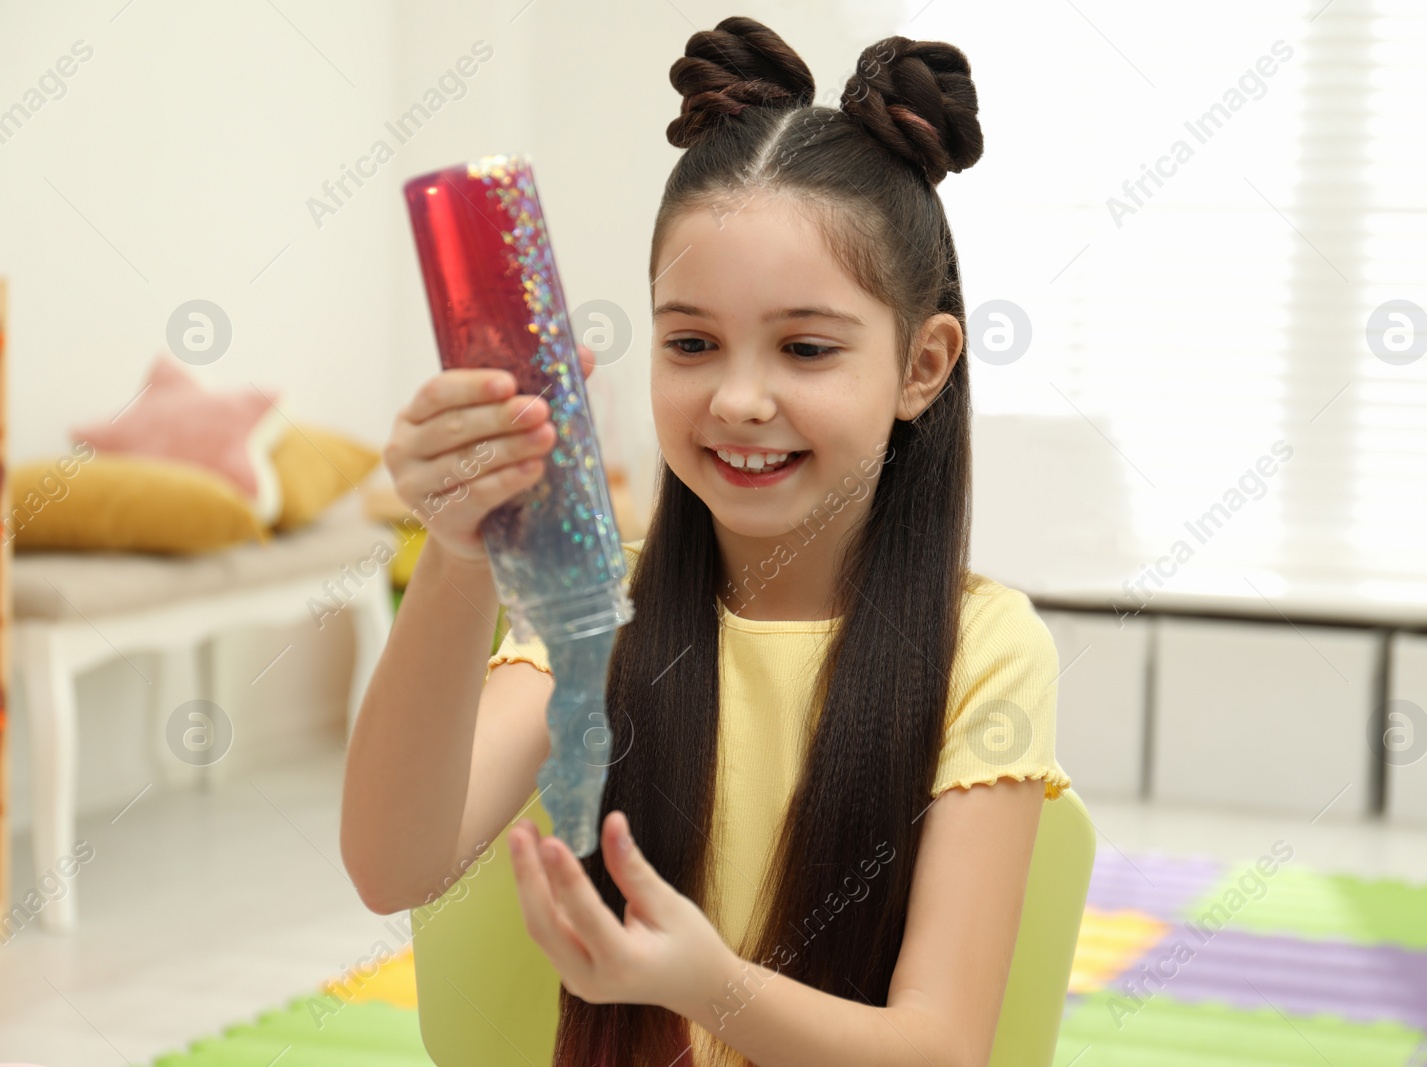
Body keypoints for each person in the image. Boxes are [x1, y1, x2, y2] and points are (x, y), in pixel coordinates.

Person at [341, 15, 1071, 1067]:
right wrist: (459, 553)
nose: (736, 398)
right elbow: (392, 865)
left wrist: (702, 984)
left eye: (805, 347)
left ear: (922, 365)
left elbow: (940, 1047)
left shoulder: (984, 647)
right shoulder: (597, 612)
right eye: (690, 342)